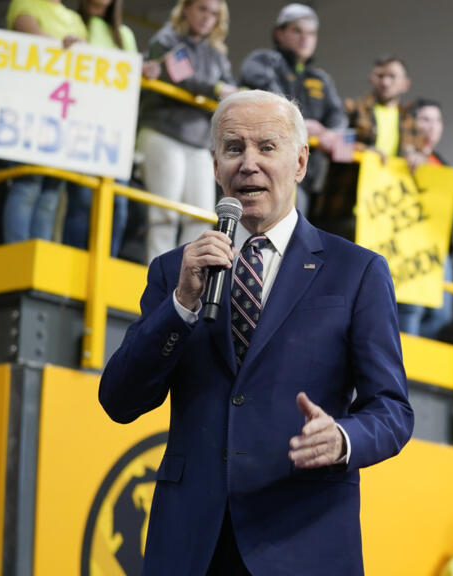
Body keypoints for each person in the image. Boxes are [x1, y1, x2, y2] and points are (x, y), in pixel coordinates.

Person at [98, 91, 414, 575]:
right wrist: (181, 304)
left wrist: (344, 439)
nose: (249, 164)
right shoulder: (173, 271)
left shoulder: (357, 271)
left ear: (300, 162)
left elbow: (392, 409)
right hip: (190, 545)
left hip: (303, 538)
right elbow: (120, 400)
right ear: (215, 165)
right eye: (233, 148)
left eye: (267, 147)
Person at [138, 0, 239, 263]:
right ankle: (159, 281)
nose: (208, 18)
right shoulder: (167, 38)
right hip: (163, 131)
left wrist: (222, 89)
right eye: (202, 9)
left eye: (214, 13)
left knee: (200, 216)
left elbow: (231, 86)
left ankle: (187, 283)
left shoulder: (216, 53)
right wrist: (216, 89)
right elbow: (181, 76)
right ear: (186, 9)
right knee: (165, 214)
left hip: (199, 141)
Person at [239, 3, 347, 215]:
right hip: (257, 168)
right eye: (297, 30)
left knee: (290, 238)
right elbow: (268, 94)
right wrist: (299, 123)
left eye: (311, 33)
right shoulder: (262, 60)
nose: (305, 38)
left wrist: (330, 133)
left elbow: (338, 116)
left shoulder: (320, 79)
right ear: (279, 33)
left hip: (302, 177)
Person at [2, 0, 88, 245]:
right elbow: (32, 38)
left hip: (62, 122)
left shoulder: (75, 19)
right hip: (29, 113)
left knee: (51, 195)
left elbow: (88, 59)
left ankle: (36, 267)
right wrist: (67, 45)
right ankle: (16, 257)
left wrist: (81, 48)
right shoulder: (24, 4)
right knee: (27, 186)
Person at [62, 0, 144, 257]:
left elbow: (131, 81)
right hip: (80, 126)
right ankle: (72, 259)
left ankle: (105, 262)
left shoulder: (125, 35)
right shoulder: (73, 23)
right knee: (82, 200)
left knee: (118, 204)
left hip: (114, 131)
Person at [397, 99, 453, 339]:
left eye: (437, 121)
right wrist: (407, 156)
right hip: (407, 238)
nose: (432, 126)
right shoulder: (398, 154)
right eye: (425, 119)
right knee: (412, 307)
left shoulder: (442, 165)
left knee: (443, 314)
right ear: (412, 124)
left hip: (437, 243)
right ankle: (402, 361)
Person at [345, 55, 413, 159]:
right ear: (370, 79)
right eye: (380, 76)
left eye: (392, 76)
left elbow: (419, 150)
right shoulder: (353, 109)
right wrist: (363, 151)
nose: (385, 82)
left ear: (405, 84)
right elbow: (337, 143)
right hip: (355, 173)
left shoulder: (408, 120)